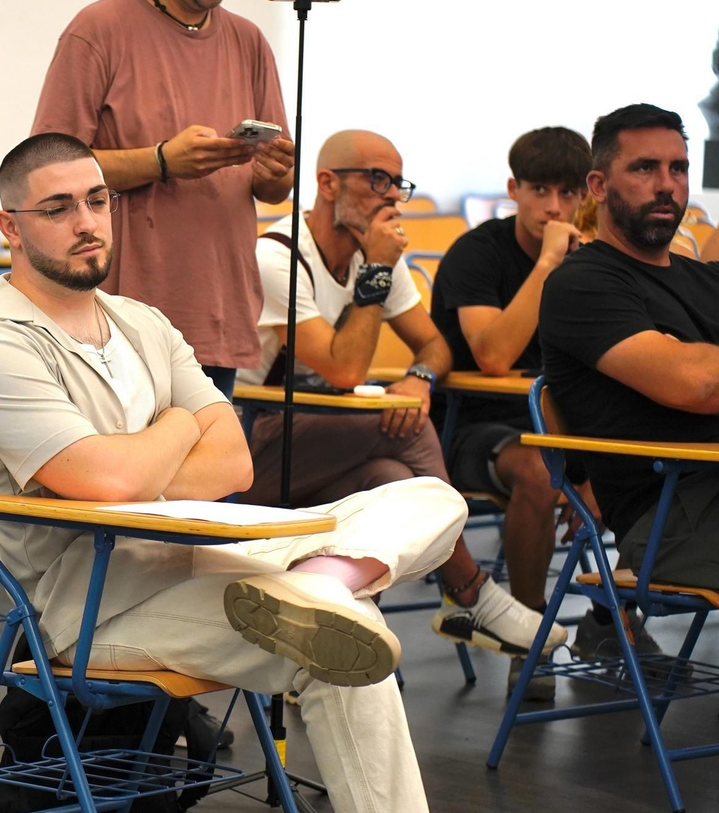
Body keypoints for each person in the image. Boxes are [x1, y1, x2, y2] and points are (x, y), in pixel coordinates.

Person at [0, 132, 459, 813]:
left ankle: (319, 585)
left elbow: (235, 461)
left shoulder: (141, 323)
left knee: (429, 496)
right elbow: (114, 482)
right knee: (348, 644)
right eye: (57, 208)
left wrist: (144, 456)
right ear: (11, 227)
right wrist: (184, 423)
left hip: (211, 563)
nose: (87, 222)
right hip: (100, 612)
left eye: (96, 201)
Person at [245, 129, 565, 663]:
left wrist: (418, 376)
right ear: (326, 183)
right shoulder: (277, 257)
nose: (393, 195)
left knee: (394, 482)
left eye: (398, 182)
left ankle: (335, 632)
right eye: (377, 179)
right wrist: (374, 270)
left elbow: (436, 345)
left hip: (316, 439)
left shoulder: (378, 258)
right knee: (410, 424)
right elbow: (345, 369)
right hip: (252, 443)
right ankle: (469, 593)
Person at [30, 0, 296, 396]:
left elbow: (274, 187)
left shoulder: (249, 41)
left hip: (217, 306)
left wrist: (277, 173)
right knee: (126, 457)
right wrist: (161, 161)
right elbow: (49, 167)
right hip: (123, 315)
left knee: (208, 459)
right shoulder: (99, 29)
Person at [426, 126, 610, 695]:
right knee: (538, 471)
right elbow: (493, 355)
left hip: (559, 427)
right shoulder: (477, 255)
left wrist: (595, 475)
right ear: (514, 189)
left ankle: (612, 621)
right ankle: (528, 638)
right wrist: (548, 266)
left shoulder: (592, 261)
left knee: (636, 462)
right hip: (472, 429)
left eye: (567, 193)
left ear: (586, 196)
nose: (552, 207)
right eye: (539, 190)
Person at [541, 104, 719, 640]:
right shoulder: (583, 283)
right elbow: (697, 383)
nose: (667, 185)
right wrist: (694, 363)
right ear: (598, 184)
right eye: (645, 168)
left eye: (678, 169)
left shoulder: (704, 280)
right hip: (670, 519)